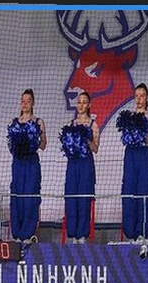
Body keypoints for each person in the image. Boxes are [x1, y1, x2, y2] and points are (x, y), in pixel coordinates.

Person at [121, 82, 148, 242]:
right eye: (136, 96)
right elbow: (124, 138)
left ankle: (142, 231)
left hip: (144, 155)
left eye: (142, 96)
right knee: (129, 190)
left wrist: (142, 131)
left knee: (144, 190)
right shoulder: (128, 116)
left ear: (147, 97)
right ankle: (130, 232)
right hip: (130, 155)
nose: (139, 99)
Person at [9, 89, 47, 242]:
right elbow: (10, 146)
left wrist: (33, 140)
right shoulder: (14, 123)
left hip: (32, 162)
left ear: (33, 103)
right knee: (17, 195)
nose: (25, 104)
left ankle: (28, 234)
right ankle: (17, 234)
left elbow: (43, 145)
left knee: (30, 196)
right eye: (23, 101)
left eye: (28, 101)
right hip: (18, 162)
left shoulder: (38, 122)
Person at [62, 90, 99, 242]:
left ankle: (82, 234)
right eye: (79, 102)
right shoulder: (70, 124)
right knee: (71, 197)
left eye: (84, 102)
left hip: (86, 164)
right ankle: (72, 234)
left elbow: (95, 148)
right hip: (73, 163)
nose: (81, 105)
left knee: (84, 198)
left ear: (89, 105)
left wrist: (85, 139)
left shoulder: (93, 124)